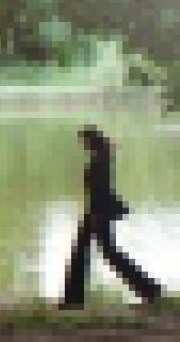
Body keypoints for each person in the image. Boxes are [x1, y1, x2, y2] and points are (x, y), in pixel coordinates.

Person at [60, 124, 163, 308]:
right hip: (97, 210)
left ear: (91, 140)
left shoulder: (101, 159)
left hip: (99, 211)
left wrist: (95, 214)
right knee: (92, 252)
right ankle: (148, 288)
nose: (83, 145)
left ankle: (148, 288)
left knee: (104, 253)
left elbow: (101, 189)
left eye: (84, 141)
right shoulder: (103, 156)